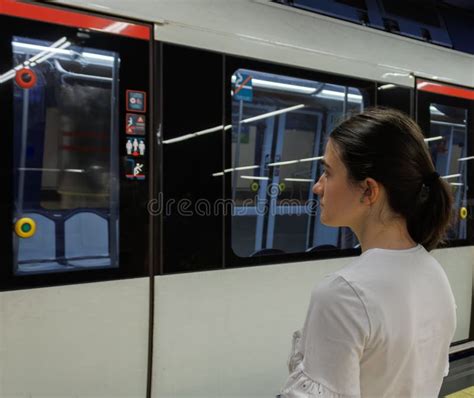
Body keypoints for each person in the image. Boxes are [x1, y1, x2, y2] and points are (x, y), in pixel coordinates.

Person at [278, 107, 457, 397]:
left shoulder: (343, 294)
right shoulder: (433, 274)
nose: (317, 187)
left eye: (327, 172)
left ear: (369, 191)